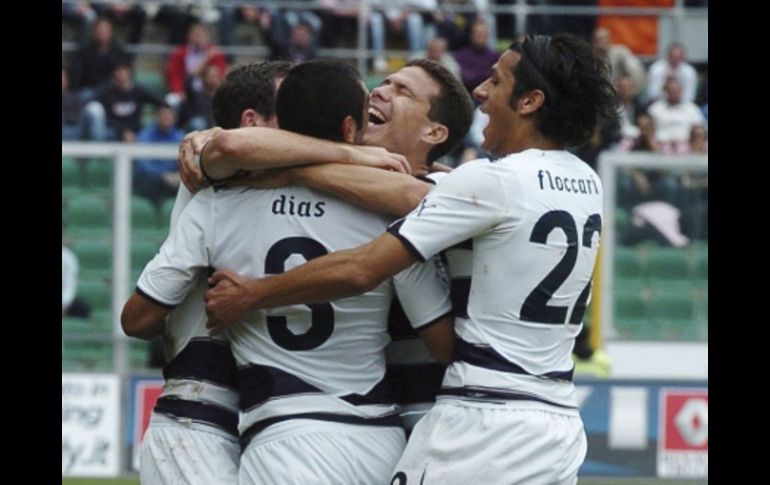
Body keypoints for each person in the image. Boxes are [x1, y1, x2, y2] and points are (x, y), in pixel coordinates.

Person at [203, 34, 618, 484]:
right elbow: (434, 196)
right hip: (555, 424)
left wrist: (253, 293)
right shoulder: (586, 182)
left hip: (480, 422)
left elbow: (363, 266)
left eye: (496, 82)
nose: (480, 91)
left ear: (531, 101)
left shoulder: (487, 183)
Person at [133, 59, 452, 485]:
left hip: (276, 431)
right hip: (379, 433)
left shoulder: (220, 199)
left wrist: (252, 294)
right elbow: (441, 337)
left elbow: (136, 319)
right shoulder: (393, 220)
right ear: (349, 127)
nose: (381, 93)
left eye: (402, 90)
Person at [121, 61, 291, 485]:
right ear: (251, 123)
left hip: (269, 424)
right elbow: (137, 321)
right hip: (198, 417)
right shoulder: (211, 172)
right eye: (289, 107)